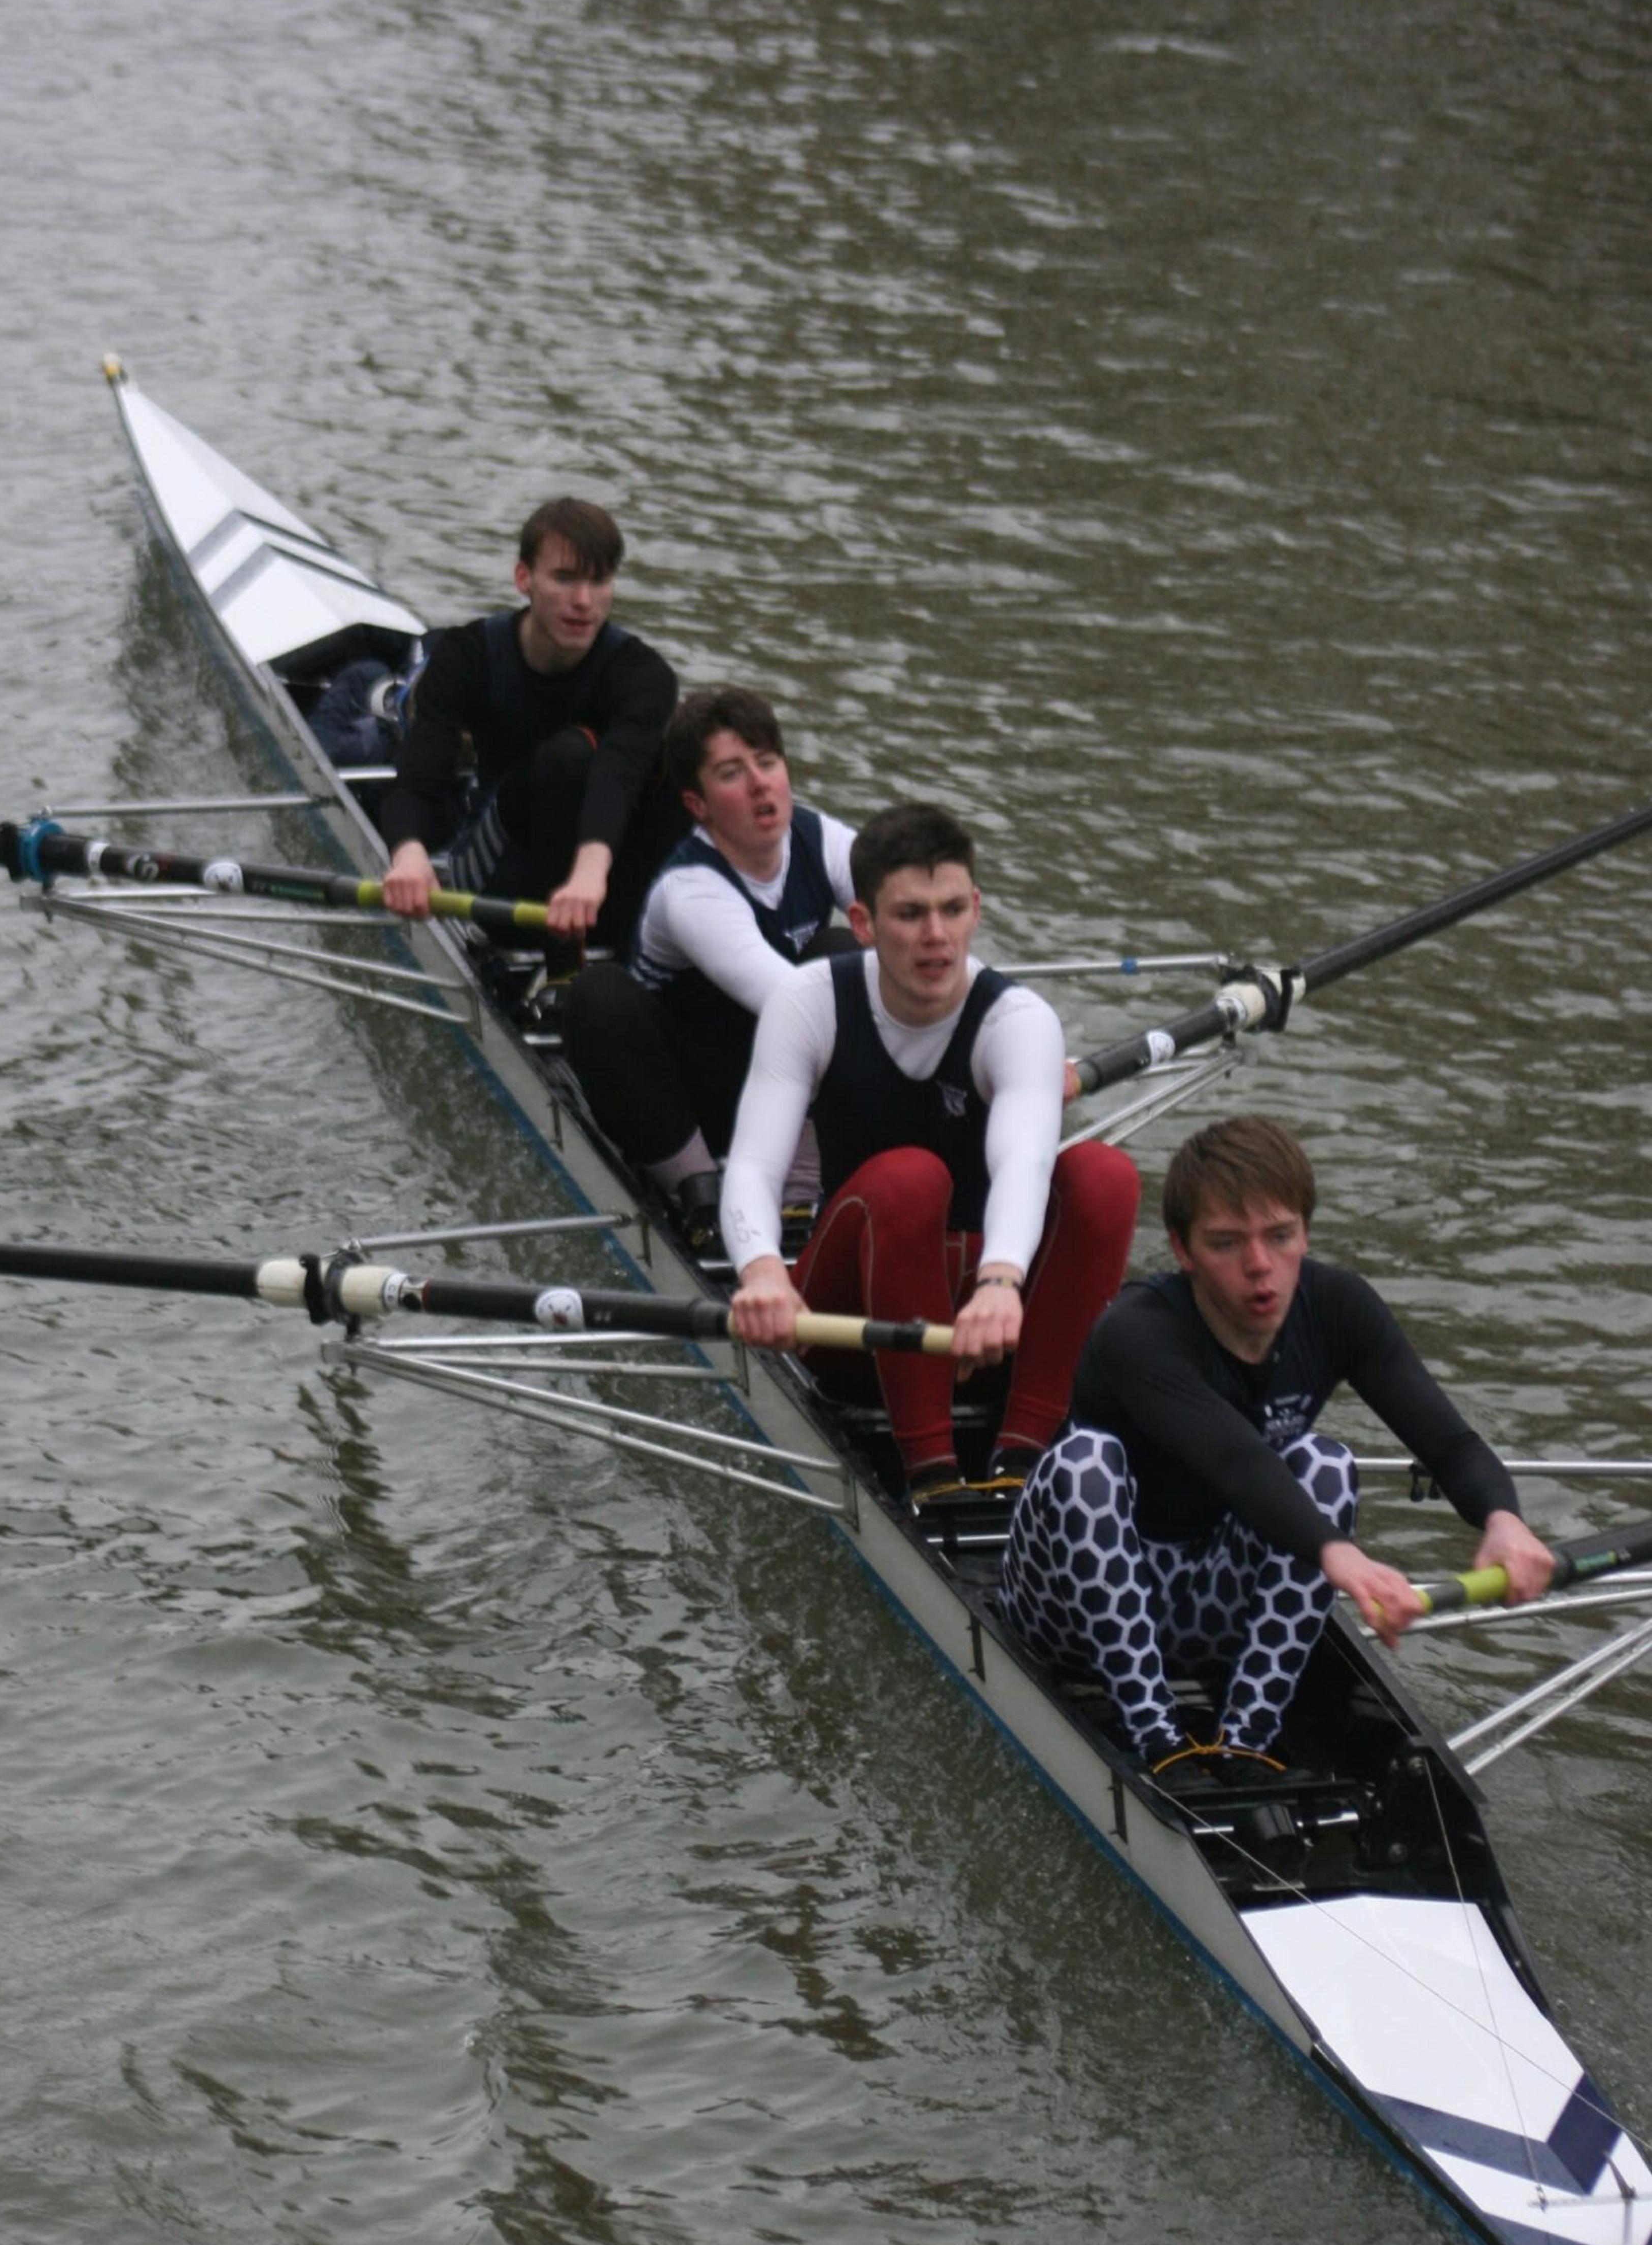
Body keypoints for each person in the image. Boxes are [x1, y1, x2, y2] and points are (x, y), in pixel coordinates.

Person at [997, 1114, 1555, 1791]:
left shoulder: (1338, 1305)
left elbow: (1450, 1442)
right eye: (1227, 1244)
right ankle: (1157, 1739)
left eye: (1280, 1237)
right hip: (1072, 1607)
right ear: (1182, 1249)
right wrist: (1343, 1558)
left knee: (1325, 1462)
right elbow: (1237, 1462)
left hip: (1207, 1605)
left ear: (1305, 1233)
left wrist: (1505, 1520)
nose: (1260, 1267)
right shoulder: (1136, 1334)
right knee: (1085, 1462)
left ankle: (1245, 1743)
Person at [721, 801, 1140, 1501]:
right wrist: (762, 1271)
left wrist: (1002, 1285)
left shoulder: (1018, 1020)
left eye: (952, 909)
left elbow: (1024, 1162)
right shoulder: (810, 1002)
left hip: (988, 1325)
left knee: (1103, 1174)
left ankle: (1025, 1454)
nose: (937, 937)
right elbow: (754, 1168)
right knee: (912, 1178)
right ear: (863, 924)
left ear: (976, 908)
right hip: (851, 1327)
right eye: (911, 915)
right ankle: (932, 1473)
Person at [559, 685, 855, 1235]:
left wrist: (991, 1031)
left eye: (768, 762)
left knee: (844, 952)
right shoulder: (691, 888)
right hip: (686, 1100)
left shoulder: (825, 840)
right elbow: (788, 1001)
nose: (761, 783)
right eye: (732, 774)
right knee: (596, 993)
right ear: (697, 805)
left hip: (783, 1086)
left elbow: (924, 928)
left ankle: (801, 1186)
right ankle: (698, 1192)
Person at [376, 498, 680, 949]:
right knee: (569, 756)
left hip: (592, 883)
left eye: (599, 582)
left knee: (690, 764)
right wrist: (408, 856)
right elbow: (416, 783)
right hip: (497, 871)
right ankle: (554, 959)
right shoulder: (468, 656)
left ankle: (624, 951)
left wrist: (587, 879)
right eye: (564, 579)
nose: (583, 601)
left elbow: (617, 778)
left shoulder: (645, 675)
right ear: (524, 579)